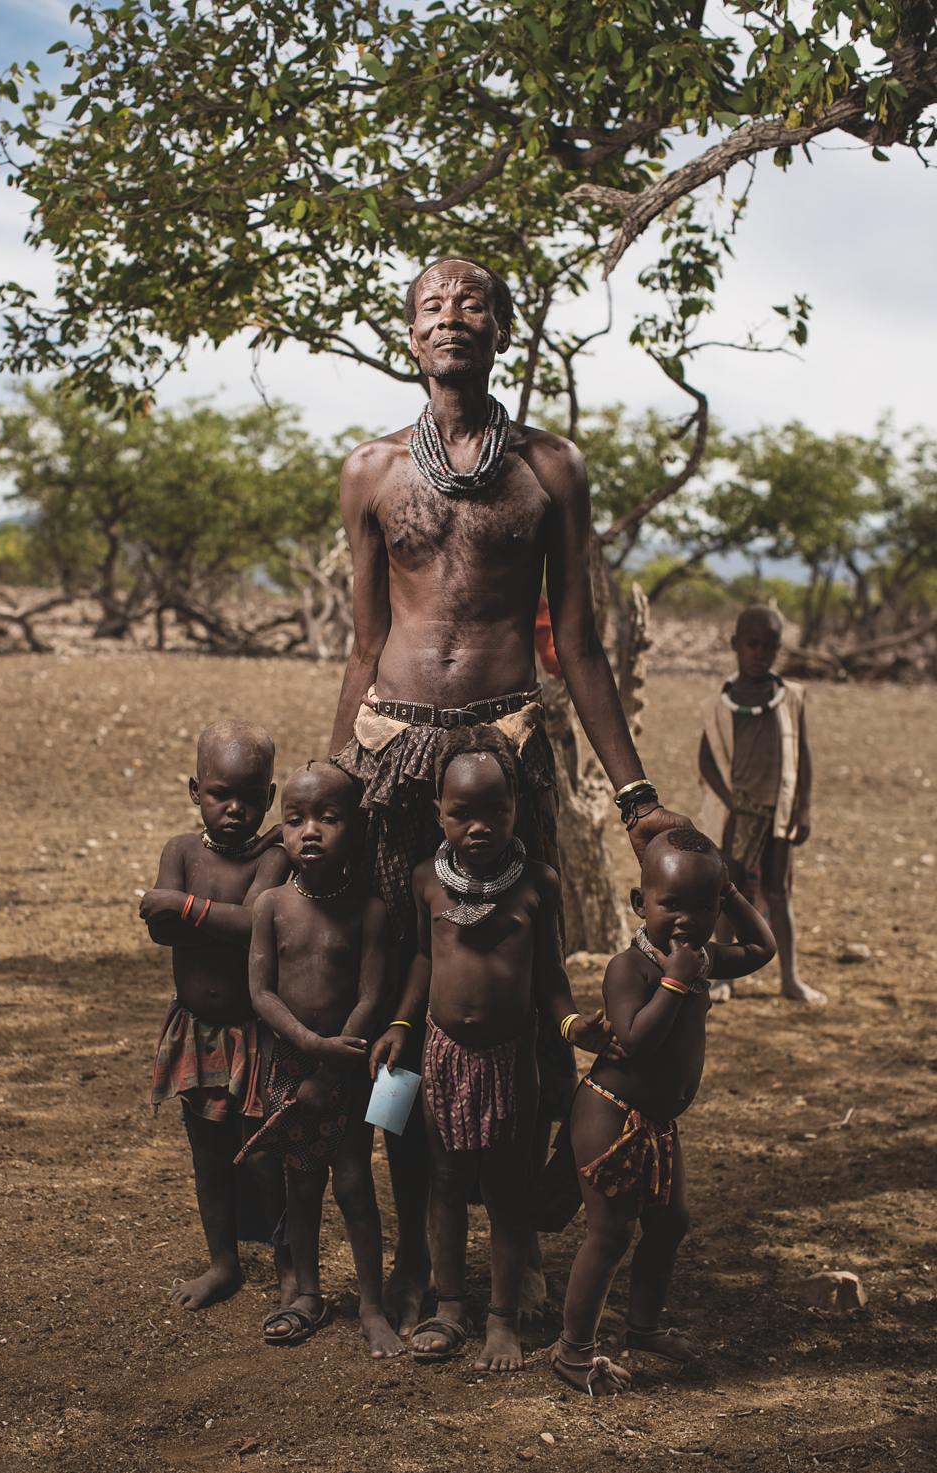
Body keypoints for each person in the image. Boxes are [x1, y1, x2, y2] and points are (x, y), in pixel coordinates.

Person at [331, 255, 690, 1333]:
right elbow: (361, 649)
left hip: (506, 753)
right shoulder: (370, 472)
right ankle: (416, 1252)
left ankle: (519, 1250)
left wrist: (635, 797)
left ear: (502, 331)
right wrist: (333, 789)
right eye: (431, 306)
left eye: (472, 305)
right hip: (392, 758)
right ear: (409, 335)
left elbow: (577, 645)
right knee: (402, 1006)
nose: (451, 319)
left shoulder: (550, 470)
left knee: (520, 1003)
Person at [370, 727, 617, 1373]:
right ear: (437, 813)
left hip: (513, 1061)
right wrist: (400, 1025)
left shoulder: (537, 884)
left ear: (517, 810)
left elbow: (552, 979)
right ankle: (450, 1307)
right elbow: (423, 961)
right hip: (444, 1055)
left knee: (509, 1191)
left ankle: (502, 1320)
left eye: (495, 812)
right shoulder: (429, 880)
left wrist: (569, 1029)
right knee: (445, 1185)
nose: (479, 826)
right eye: (461, 813)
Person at [535, 828, 776, 1395]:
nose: (686, 919)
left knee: (671, 1222)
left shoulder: (701, 958)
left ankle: (642, 1327)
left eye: (702, 905)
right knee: (611, 1232)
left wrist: (731, 895)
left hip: (657, 1125)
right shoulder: (633, 968)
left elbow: (764, 949)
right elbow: (636, 1040)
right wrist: (675, 980)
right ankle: (573, 1351)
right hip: (609, 1114)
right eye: (671, 904)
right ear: (640, 903)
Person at [239, 761, 403, 1358]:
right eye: (295, 819)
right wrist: (311, 1052)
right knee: (300, 1185)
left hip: (350, 1070)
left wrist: (333, 1067)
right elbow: (261, 994)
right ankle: (306, 1293)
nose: (310, 831)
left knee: (356, 1185)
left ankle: (372, 1306)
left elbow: (372, 996)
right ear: (279, 831)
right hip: (291, 1066)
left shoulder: (370, 910)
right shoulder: (272, 906)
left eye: (328, 818)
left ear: (356, 828)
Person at [142, 720, 292, 1311]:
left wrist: (183, 906)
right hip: (195, 1032)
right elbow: (159, 932)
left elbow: (254, 922)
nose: (235, 809)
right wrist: (211, 916)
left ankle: (289, 1268)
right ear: (194, 790)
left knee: (263, 1151)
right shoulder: (180, 850)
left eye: (251, 798)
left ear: (270, 798)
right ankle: (223, 1262)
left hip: (256, 1032)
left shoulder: (273, 857)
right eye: (219, 794)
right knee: (207, 1151)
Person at [698, 604, 825, 1005]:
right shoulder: (719, 704)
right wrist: (730, 802)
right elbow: (706, 759)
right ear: (736, 645)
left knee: (777, 889)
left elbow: (803, 757)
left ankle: (790, 978)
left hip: (779, 811)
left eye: (771, 646)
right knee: (728, 892)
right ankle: (722, 979)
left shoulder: (791, 699)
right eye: (753, 644)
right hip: (737, 813)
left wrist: (803, 809)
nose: (761, 653)